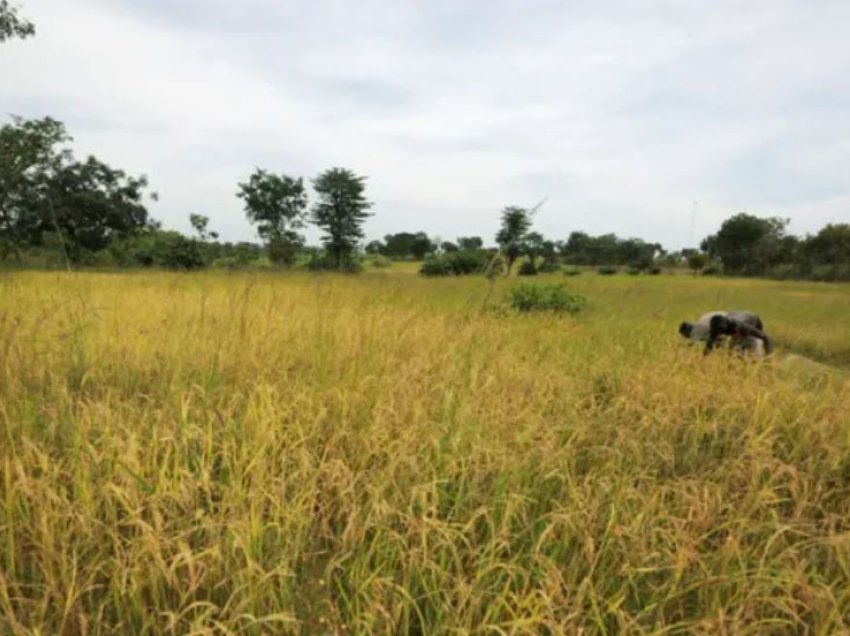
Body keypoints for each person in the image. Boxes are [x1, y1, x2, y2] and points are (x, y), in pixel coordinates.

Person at [679, 310, 772, 357]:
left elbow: (766, 337)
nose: (720, 335)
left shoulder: (741, 325)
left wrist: (768, 356)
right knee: (732, 355)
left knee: (753, 357)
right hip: (736, 327)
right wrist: (703, 361)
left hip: (753, 325)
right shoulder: (716, 328)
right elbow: (710, 345)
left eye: (722, 333)